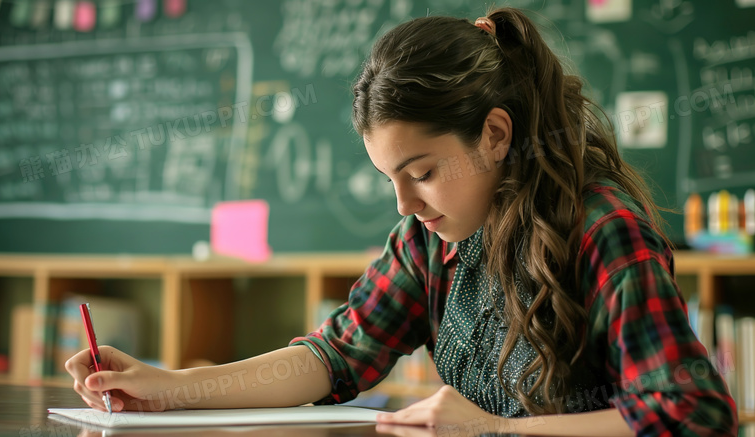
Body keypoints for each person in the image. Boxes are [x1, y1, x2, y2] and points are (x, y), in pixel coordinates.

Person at [65, 6, 738, 436]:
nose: (404, 204)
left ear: (496, 135)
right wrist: (175, 388)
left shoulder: (602, 226)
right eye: (391, 179)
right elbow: (335, 357)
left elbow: (690, 412)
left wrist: (490, 430)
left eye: (421, 171)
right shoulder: (430, 239)